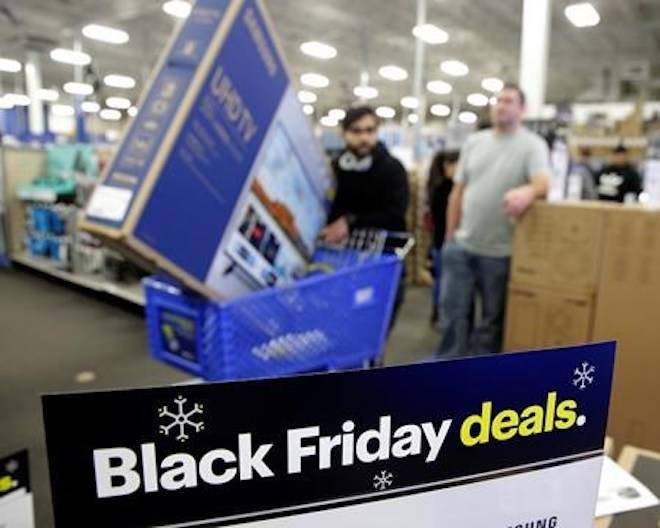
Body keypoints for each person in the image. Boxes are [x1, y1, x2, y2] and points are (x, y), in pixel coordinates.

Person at [439, 83, 551, 358]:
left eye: (508, 100)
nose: (500, 105)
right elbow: (458, 192)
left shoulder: (532, 146)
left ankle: (479, 383)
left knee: (491, 324)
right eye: (497, 100)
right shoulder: (475, 142)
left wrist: (529, 191)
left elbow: (544, 183)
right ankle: (446, 374)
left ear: (522, 109)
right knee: (454, 317)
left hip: (501, 252)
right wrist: (449, 237)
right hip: (462, 247)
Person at [321, 105, 409, 328]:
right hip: (342, 265)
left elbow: (396, 215)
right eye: (356, 131)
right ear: (344, 134)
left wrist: (351, 222)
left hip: (382, 264)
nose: (364, 137)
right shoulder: (336, 169)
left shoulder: (393, 169)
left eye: (369, 131)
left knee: (372, 333)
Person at [426, 149, 459, 325]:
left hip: (443, 242)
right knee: (443, 282)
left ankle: (440, 312)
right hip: (443, 243)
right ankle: (439, 313)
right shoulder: (444, 189)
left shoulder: (445, 187)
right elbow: (440, 219)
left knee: (443, 281)